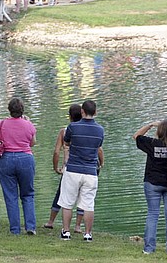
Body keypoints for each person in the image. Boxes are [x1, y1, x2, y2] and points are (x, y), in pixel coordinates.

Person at [133, 119, 167, 255]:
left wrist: (151, 124)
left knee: (152, 214)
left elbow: (136, 136)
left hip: (153, 183)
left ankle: (149, 249)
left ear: (159, 131)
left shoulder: (152, 143)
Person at [59, 100, 104, 242]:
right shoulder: (100, 130)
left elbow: (66, 142)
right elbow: (98, 146)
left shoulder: (72, 127)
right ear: (95, 112)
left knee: (67, 202)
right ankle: (88, 234)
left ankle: (66, 232)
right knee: (88, 204)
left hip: (73, 169)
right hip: (90, 171)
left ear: (82, 112)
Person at [0, 98, 37, 235]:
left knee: (10, 195)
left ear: (9, 110)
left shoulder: (2, 124)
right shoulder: (28, 125)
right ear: (22, 110)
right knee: (28, 194)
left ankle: (15, 229)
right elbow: (32, 143)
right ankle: (30, 226)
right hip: (25, 158)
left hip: (6, 159)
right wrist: (28, 122)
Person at [45, 104, 85, 231]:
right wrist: (101, 163)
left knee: (61, 195)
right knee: (82, 196)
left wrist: (56, 167)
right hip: (84, 167)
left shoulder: (65, 131)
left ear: (69, 117)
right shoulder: (87, 130)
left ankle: (51, 221)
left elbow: (57, 152)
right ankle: (78, 226)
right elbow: (98, 150)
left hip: (68, 167)